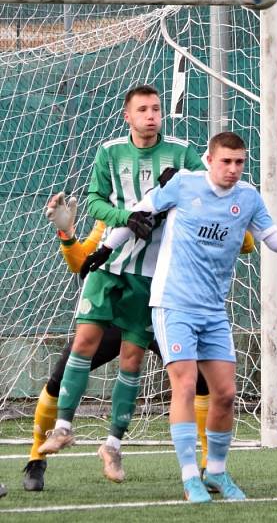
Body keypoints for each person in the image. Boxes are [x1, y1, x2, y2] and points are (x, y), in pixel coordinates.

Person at [82, 131, 277, 502]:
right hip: (172, 303)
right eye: (226, 161)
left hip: (213, 310)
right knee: (186, 385)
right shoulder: (182, 185)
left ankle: (217, 473)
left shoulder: (248, 197)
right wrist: (102, 251)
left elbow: (271, 241)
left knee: (225, 394)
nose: (233, 169)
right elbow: (138, 214)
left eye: (240, 162)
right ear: (209, 160)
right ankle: (190, 477)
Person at [22, 192, 253, 491]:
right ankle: (36, 459)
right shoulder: (115, 213)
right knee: (60, 378)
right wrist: (67, 234)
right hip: (118, 314)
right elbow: (81, 262)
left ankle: (210, 468)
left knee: (202, 383)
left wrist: (228, 215)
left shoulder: (182, 206)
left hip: (167, 310)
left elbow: (245, 244)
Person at [38, 85, 209, 484]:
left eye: (156, 108)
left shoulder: (183, 154)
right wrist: (124, 217)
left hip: (152, 278)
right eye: (143, 110)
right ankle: (62, 428)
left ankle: (112, 446)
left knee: (133, 360)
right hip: (108, 265)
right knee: (82, 343)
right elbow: (96, 200)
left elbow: (201, 198)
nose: (151, 115)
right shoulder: (110, 152)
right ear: (127, 116)